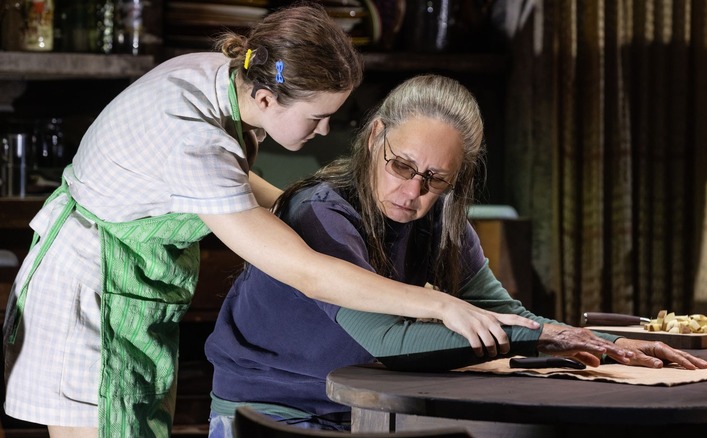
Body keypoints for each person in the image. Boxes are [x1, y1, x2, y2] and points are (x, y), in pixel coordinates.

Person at [1, 5, 542, 438]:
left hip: (132, 296)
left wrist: (310, 207)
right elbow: (308, 271)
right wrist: (442, 303)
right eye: (318, 116)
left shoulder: (226, 77)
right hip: (88, 298)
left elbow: (238, 189)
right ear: (266, 96)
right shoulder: (196, 140)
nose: (328, 131)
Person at [204, 74, 707, 436]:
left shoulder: (441, 221)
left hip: (371, 413)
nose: (413, 191)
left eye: (436, 179)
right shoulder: (322, 212)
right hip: (275, 416)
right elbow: (385, 337)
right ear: (376, 136)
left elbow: (506, 312)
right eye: (401, 166)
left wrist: (608, 343)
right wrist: (548, 339)